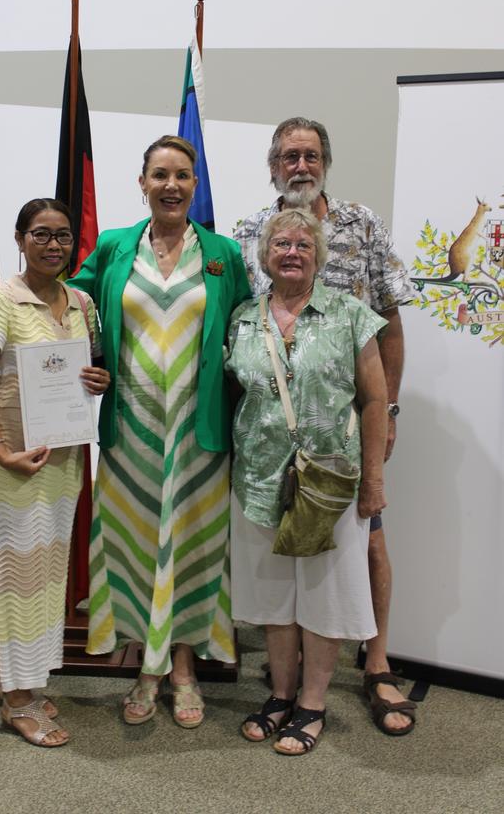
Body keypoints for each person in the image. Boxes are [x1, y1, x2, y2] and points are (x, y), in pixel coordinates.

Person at [0, 136, 251, 729]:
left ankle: (186, 668)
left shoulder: (224, 254)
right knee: (136, 542)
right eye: (160, 174)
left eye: (183, 175)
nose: (172, 185)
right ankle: (146, 666)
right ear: (142, 183)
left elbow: (244, 324)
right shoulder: (115, 247)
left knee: (195, 545)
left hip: (199, 432)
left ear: (196, 185)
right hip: (129, 427)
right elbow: (62, 297)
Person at [233, 117, 416, 735]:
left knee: (365, 542)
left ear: (326, 164)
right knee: (283, 570)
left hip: (340, 438)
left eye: (311, 155)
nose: (301, 166)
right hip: (267, 453)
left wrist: (384, 416)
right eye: (289, 156)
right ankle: (288, 687)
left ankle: (376, 662)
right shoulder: (249, 232)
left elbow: (389, 322)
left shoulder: (361, 224)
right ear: (274, 166)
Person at [226, 208, 389, 754]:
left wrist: (374, 481)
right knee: (274, 597)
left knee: (323, 597)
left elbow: (373, 402)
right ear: (264, 254)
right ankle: (280, 694)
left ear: (318, 254)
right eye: (280, 244)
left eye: (302, 244)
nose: (291, 252)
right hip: (258, 480)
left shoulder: (350, 314)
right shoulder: (243, 317)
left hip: (329, 484)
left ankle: (313, 705)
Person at [0, 199, 110, 748]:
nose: (53, 245)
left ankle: (18, 679)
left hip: (63, 459)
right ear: (20, 240)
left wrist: (96, 379)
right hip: (11, 463)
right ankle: (19, 701)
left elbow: (88, 369)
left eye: (64, 236)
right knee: (18, 577)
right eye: (41, 235)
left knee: (45, 576)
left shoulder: (82, 303)